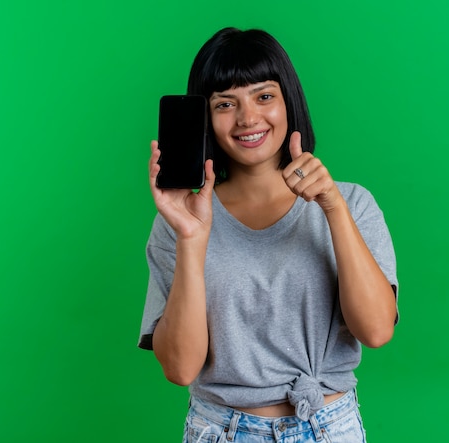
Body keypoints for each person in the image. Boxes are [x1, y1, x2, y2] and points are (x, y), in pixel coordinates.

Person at [139, 27, 399, 443]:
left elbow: (376, 331)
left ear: (288, 102)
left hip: (330, 428)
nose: (247, 118)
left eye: (264, 96)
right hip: (220, 431)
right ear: (205, 117)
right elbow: (180, 369)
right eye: (225, 103)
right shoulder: (181, 220)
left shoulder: (352, 202)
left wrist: (332, 207)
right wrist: (191, 237)